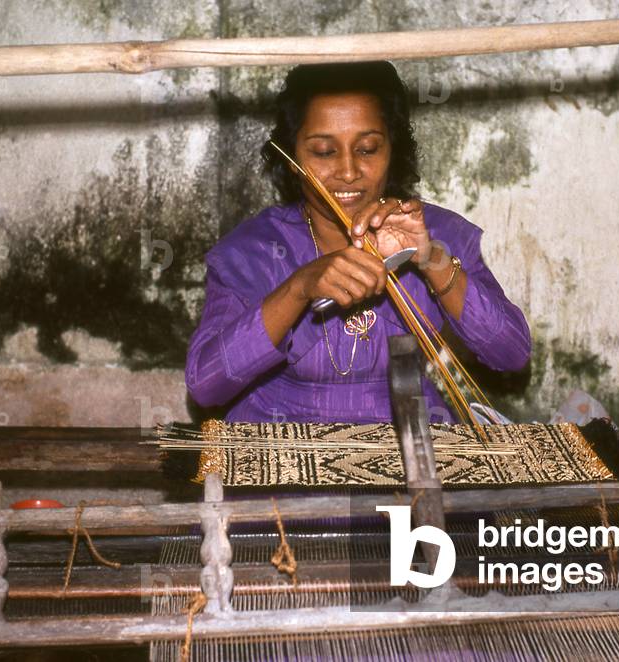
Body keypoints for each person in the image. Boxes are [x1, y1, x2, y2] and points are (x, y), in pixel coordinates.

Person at [185, 61, 531, 424]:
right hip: (281, 446)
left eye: (367, 149)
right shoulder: (255, 250)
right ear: (292, 159)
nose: (348, 172)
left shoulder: (433, 231)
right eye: (323, 152)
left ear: (392, 149)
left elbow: (512, 355)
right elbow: (207, 387)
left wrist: (431, 259)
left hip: (409, 436)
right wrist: (299, 288)